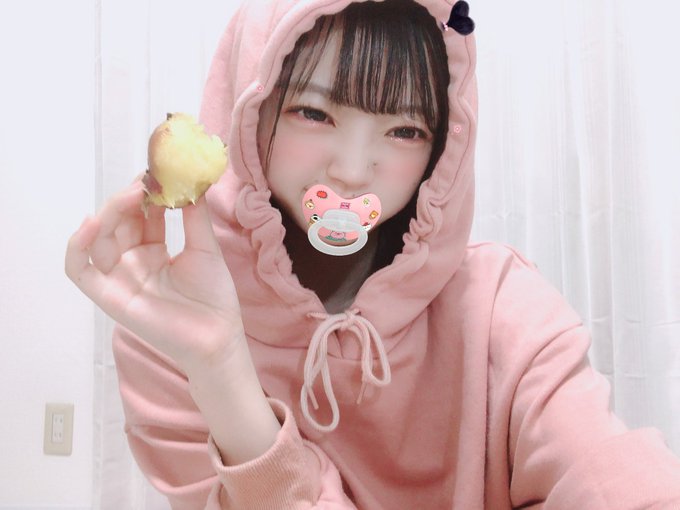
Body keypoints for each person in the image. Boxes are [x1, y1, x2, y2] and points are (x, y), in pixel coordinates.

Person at [65, 0, 680, 508]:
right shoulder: (169, 338)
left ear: (442, 148)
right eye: (313, 112)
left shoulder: (500, 304)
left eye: (405, 130)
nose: (354, 170)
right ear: (247, 112)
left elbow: (609, 473)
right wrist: (221, 368)